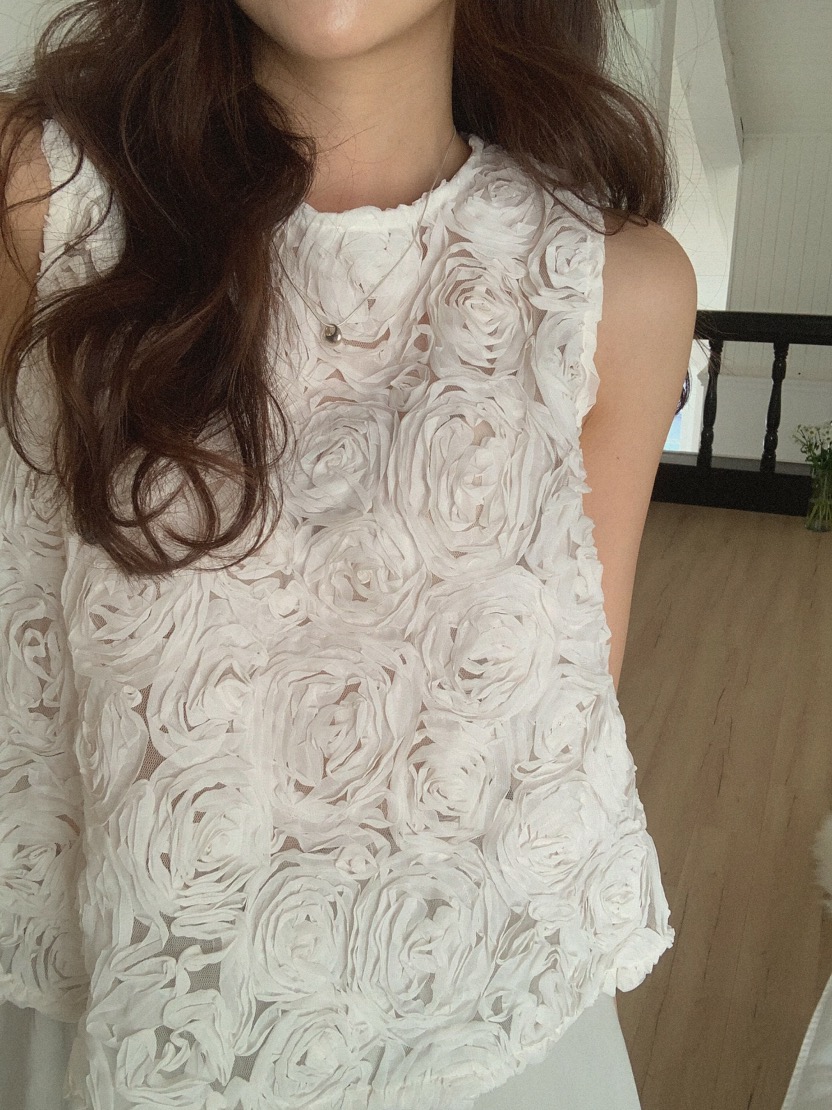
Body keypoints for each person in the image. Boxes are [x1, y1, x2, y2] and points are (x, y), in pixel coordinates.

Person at [0, 0, 697, 1107]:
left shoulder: (617, 288)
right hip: (114, 1011)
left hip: (490, 1045)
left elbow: (562, 720)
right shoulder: (40, 199)